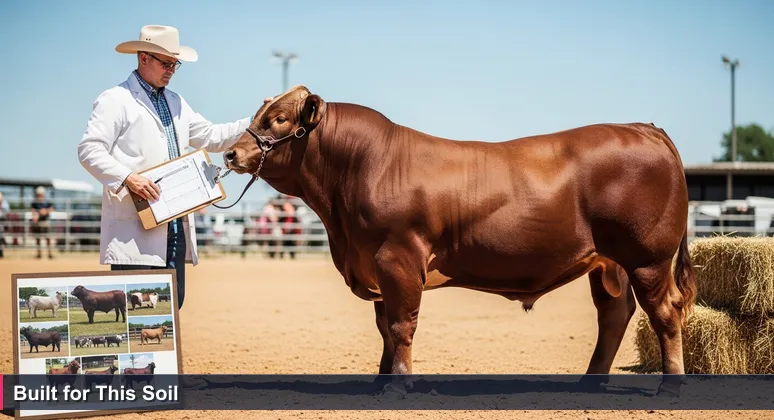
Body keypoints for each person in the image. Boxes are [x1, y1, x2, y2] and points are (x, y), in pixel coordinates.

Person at [77, 24, 272, 310]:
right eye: (165, 63)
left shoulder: (176, 101)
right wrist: (128, 177)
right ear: (143, 58)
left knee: (172, 301)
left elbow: (212, 136)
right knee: (135, 306)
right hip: (134, 223)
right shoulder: (115, 99)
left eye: (174, 64)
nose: (171, 69)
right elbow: (89, 149)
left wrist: (257, 118)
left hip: (175, 222)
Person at [30, 186, 54, 259]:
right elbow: (33, 211)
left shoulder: (47, 201)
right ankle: (39, 254)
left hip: (45, 222)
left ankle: (50, 254)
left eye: (41, 193)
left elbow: (51, 209)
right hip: (38, 222)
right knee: (38, 239)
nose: (40, 195)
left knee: (48, 238)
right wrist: (38, 213)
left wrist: (45, 211)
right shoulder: (34, 202)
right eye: (39, 194)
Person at [0, 191, 9, 258]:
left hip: (2, 222)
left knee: (1, 238)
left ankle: (1, 252)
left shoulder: (5, 204)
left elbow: (6, 213)